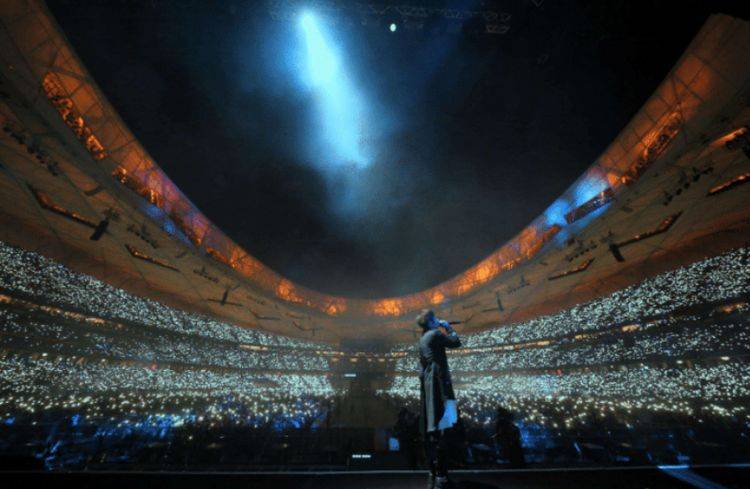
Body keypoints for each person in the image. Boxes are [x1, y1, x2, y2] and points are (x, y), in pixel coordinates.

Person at [416, 309, 461, 489]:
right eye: (435, 318)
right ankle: (442, 477)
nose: (438, 320)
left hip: (430, 383)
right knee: (444, 427)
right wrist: (448, 328)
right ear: (430, 321)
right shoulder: (435, 333)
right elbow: (456, 343)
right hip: (440, 384)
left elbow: (421, 369)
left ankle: (434, 474)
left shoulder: (423, 338)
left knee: (433, 428)